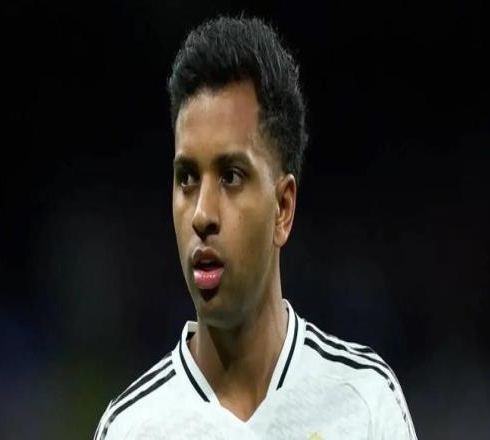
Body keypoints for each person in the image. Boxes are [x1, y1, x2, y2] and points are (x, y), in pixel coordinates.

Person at [94, 16, 417, 439]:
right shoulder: (131, 428)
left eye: (230, 176)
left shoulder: (364, 403)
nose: (202, 215)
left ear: (283, 208)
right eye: (187, 178)